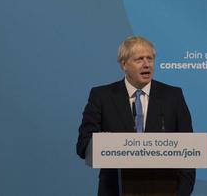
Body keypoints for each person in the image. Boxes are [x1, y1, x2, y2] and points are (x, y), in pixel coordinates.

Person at [76, 36, 195, 195]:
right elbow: (83, 145)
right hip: (116, 189)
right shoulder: (102, 96)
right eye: (139, 59)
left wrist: (182, 193)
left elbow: (189, 151)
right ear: (124, 64)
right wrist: (108, 144)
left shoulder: (172, 96)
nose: (147, 64)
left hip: (165, 189)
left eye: (150, 59)